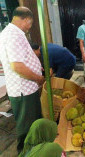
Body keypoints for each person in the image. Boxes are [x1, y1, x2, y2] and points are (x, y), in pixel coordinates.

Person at [0, 7, 44, 154]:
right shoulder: (14, 35)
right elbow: (17, 66)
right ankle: (24, 153)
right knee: (26, 127)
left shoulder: (12, 33)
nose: (29, 28)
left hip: (25, 89)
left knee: (32, 124)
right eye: (30, 24)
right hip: (23, 90)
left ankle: (34, 151)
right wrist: (38, 78)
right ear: (25, 19)